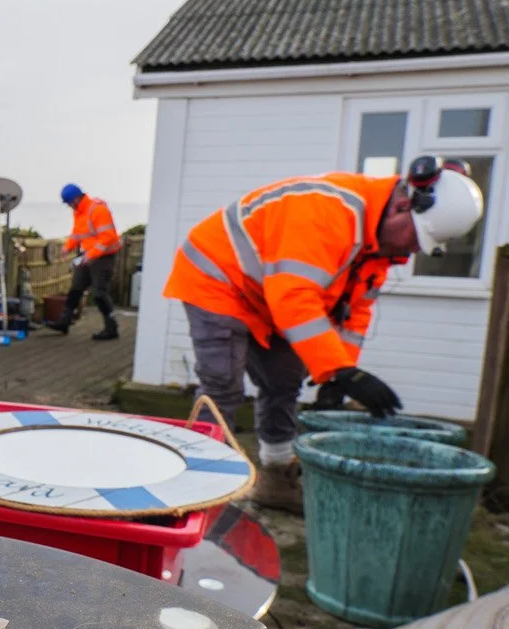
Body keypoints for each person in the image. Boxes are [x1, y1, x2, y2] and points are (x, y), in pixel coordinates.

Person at [162, 158, 484, 510]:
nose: (414, 251)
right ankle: (194, 489)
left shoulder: (379, 247)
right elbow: (294, 297)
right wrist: (340, 370)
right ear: (402, 206)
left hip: (267, 297)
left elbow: (354, 315)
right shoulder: (326, 211)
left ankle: (275, 479)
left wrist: (341, 374)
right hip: (218, 278)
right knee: (223, 384)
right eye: (416, 238)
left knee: (284, 382)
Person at [50, 183, 122, 339]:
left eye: (69, 203)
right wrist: (67, 247)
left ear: (76, 199)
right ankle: (64, 322)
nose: (69, 206)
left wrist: (90, 255)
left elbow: (108, 238)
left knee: (99, 294)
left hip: (104, 257)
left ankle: (111, 328)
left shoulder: (98, 210)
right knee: (76, 288)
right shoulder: (79, 212)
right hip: (88, 255)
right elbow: (77, 233)